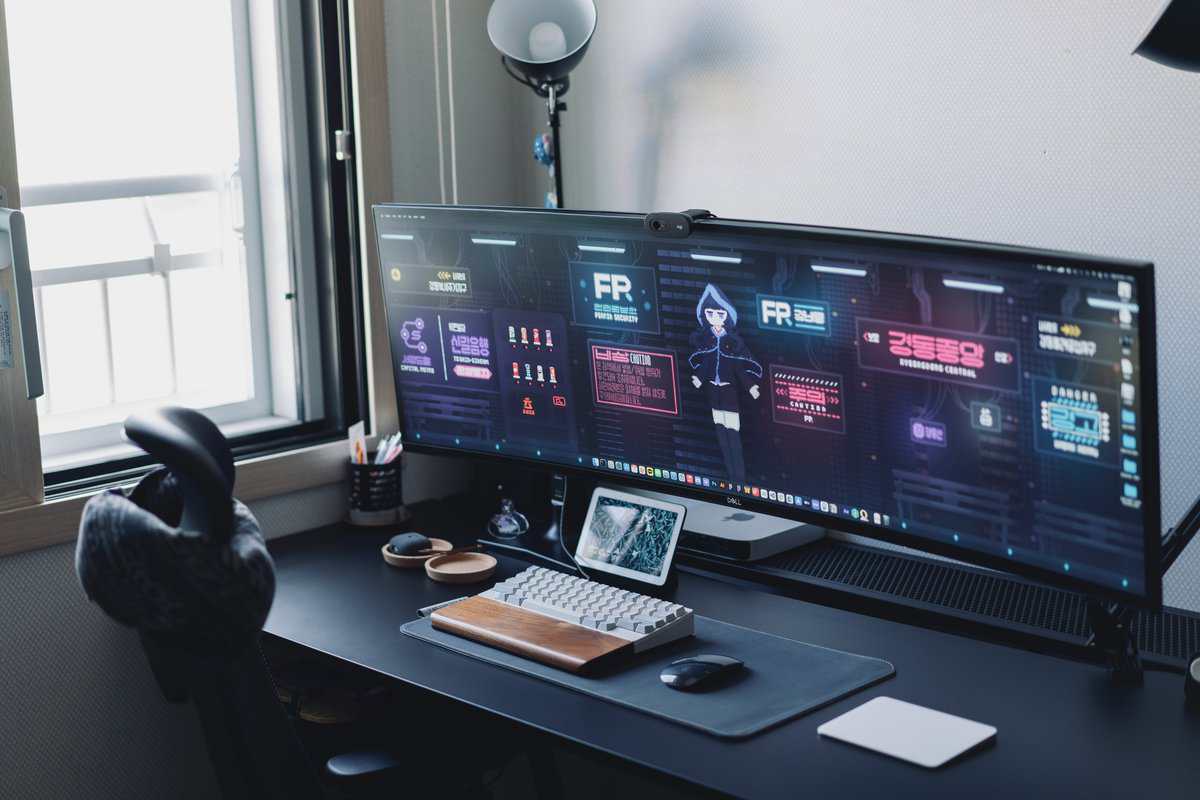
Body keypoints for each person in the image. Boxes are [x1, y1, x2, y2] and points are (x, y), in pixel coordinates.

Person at [687, 284, 762, 482]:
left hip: (729, 396)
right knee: (721, 435)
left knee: (733, 437)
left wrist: (751, 386)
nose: (715, 317)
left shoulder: (731, 343)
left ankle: (740, 479)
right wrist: (698, 378)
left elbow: (738, 368)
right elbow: (705, 364)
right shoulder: (708, 342)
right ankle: (731, 478)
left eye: (719, 313)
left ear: (727, 316)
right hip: (714, 395)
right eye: (710, 313)